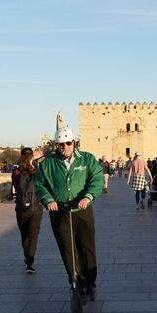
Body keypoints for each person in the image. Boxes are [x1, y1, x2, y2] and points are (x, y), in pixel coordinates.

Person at [35, 125, 104, 302]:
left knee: (86, 246)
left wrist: (88, 196)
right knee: (67, 248)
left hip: (82, 210)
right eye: (60, 144)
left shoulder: (86, 159)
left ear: (74, 143)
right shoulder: (47, 163)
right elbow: (40, 185)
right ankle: (75, 282)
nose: (64, 147)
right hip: (60, 212)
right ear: (56, 145)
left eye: (68, 143)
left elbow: (96, 178)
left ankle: (90, 282)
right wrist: (48, 200)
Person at [11, 148, 43, 273]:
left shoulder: (16, 172)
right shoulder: (37, 171)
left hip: (21, 208)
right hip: (36, 208)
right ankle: (31, 260)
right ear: (32, 157)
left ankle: (27, 258)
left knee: (24, 235)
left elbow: (15, 185)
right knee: (33, 236)